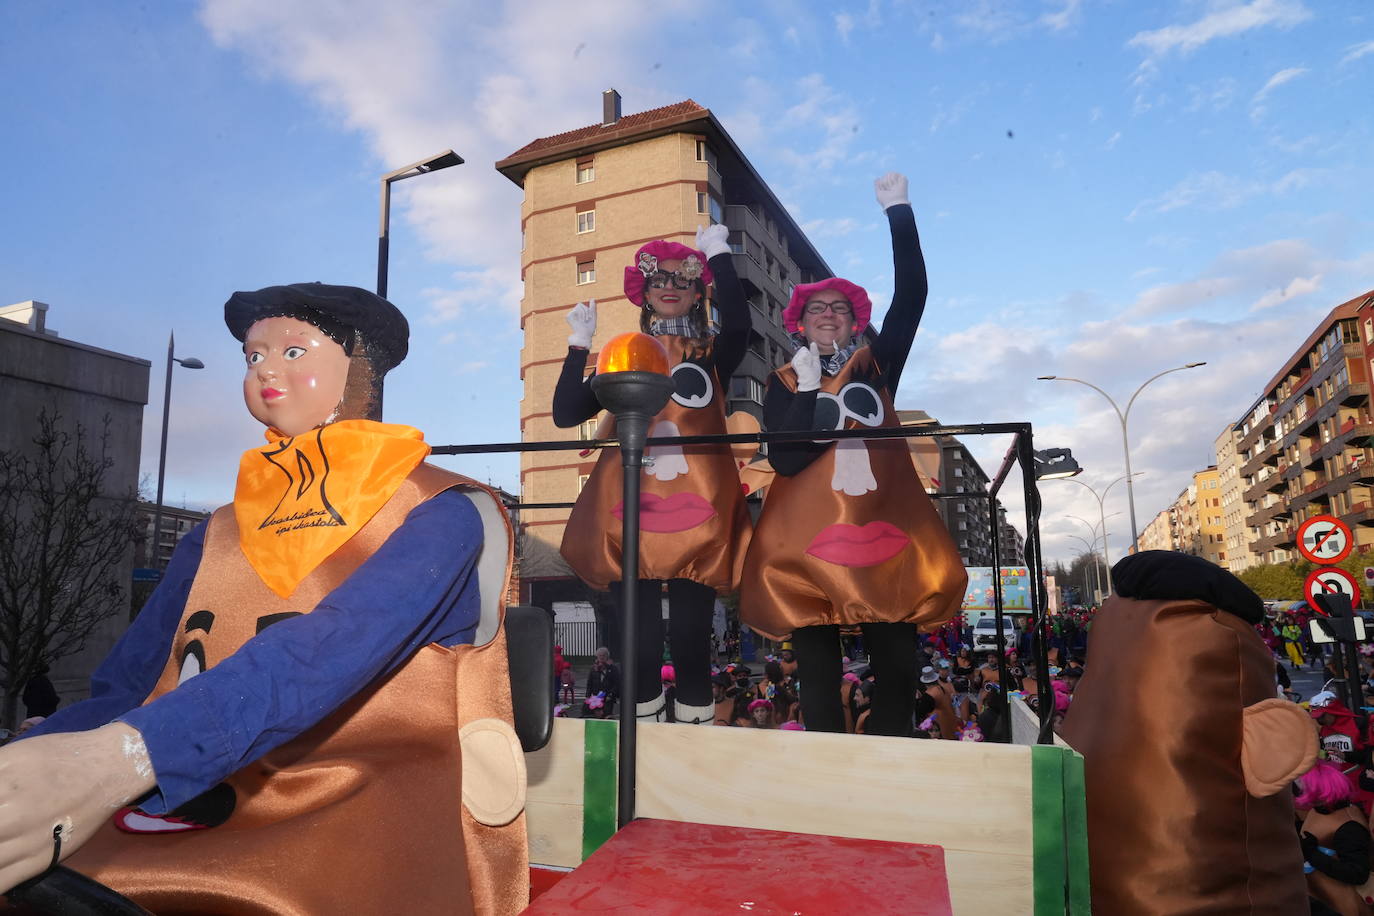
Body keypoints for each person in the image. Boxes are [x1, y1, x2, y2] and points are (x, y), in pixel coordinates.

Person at [0, 283, 525, 913]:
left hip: (366, 807)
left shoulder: (444, 509)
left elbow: (330, 648)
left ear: (361, 364)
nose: (267, 369)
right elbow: (129, 683)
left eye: (295, 350)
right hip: (190, 789)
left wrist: (124, 756)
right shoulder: (219, 527)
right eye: (254, 357)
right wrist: (43, 753)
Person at [739, 172, 966, 737]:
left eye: (840, 308)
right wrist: (811, 391)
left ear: (855, 320)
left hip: (882, 534)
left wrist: (899, 213)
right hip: (808, 544)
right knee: (816, 675)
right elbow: (787, 461)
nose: (829, 314)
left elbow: (912, 296)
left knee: (897, 667)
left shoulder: (877, 366)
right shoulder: (782, 380)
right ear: (799, 323)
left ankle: (891, 757)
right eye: (818, 309)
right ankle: (826, 773)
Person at [554, 225, 750, 726]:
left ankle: (693, 748)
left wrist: (720, 256)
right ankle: (641, 755)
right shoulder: (623, 355)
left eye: (682, 281)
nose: (670, 287)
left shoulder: (710, 355)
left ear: (697, 293)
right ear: (644, 291)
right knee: (636, 647)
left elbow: (743, 329)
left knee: (689, 640)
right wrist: (579, 346)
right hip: (631, 508)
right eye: (659, 279)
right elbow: (564, 412)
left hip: (696, 510)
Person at [1295, 760, 1373, 915]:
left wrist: (1312, 854)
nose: (1297, 788)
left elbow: (1357, 873)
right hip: (1320, 896)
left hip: (1342, 906)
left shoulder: (1349, 828)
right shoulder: (1321, 809)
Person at [585, 646, 620, 718]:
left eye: (603, 655)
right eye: (599, 655)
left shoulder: (613, 668)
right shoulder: (594, 668)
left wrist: (611, 694)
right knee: (596, 716)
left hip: (607, 697)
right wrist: (587, 696)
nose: (601, 657)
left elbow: (617, 683)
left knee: (606, 715)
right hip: (596, 697)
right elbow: (589, 683)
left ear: (607, 656)